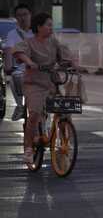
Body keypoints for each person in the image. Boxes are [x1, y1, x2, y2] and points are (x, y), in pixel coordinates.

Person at [13, 12, 74, 164]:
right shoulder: (29, 42)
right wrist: (30, 62)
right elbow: (20, 53)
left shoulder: (54, 42)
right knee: (34, 114)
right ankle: (28, 149)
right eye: (48, 24)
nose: (51, 27)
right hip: (34, 83)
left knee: (64, 112)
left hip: (51, 82)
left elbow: (65, 56)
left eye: (51, 25)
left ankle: (64, 142)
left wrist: (73, 65)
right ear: (39, 27)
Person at [5, 4, 34, 121]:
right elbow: (8, 51)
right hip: (21, 69)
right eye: (19, 15)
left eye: (25, 14)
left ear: (30, 15)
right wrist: (8, 67)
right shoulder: (12, 34)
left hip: (40, 68)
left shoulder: (38, 31)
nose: (22, 18)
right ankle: (20, 106)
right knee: (14, 78)